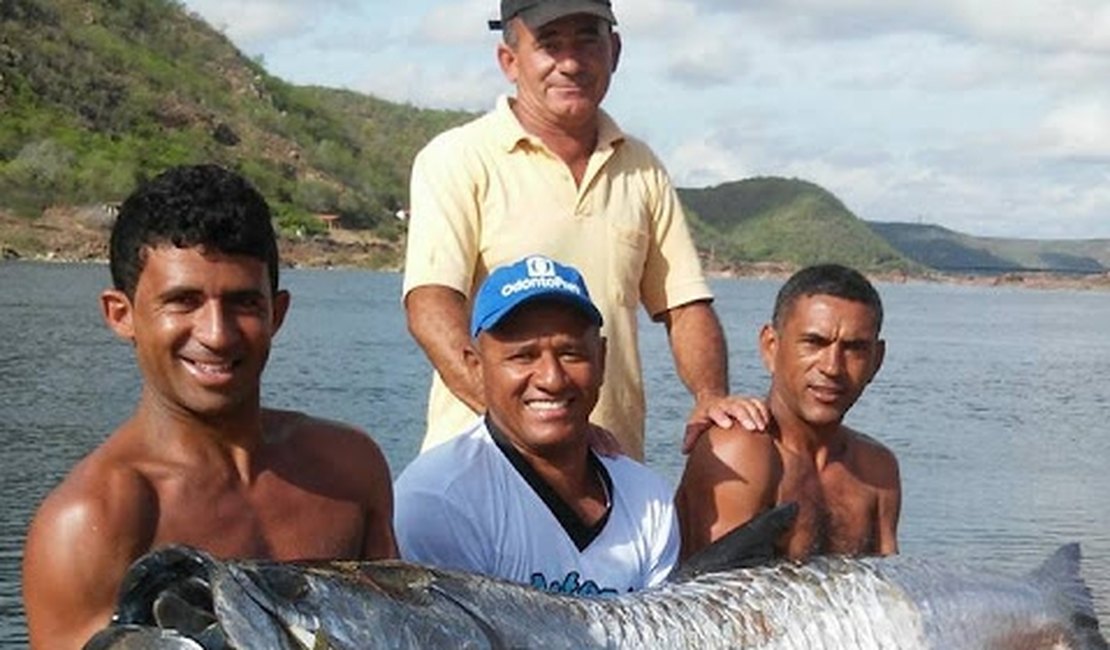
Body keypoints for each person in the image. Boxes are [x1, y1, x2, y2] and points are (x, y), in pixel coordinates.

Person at [21, 164, 398, 650]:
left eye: (243, 303)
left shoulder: (349, 468)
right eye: (183, 301)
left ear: (276, 313)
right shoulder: (90, 524)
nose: (216, 334)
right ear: (122, 315)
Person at [402, 0, 767, 460]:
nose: (571, 63)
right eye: (549, 45)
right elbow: (430, 306)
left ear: (614, 50)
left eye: (587, 40)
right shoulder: (457, 158)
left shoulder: (642, 168)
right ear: (509, 61)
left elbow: (684, 305)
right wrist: (520, 427)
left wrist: (711, 395)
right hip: (482, 465)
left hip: (609, 468)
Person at [394, 255, 678, 594]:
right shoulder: (439, 499)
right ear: (476, 366)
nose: (552, 379)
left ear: (601, 359)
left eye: (571, 353)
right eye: (523, 356)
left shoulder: (648, 498)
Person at [675, 264, 900, 561]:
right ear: (771, 347)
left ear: (877, 360)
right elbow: (714, 599)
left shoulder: (877, 469)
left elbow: (890, 592)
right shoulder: (741, 451)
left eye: (854, 348)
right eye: (814, 343)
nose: (832, 367)